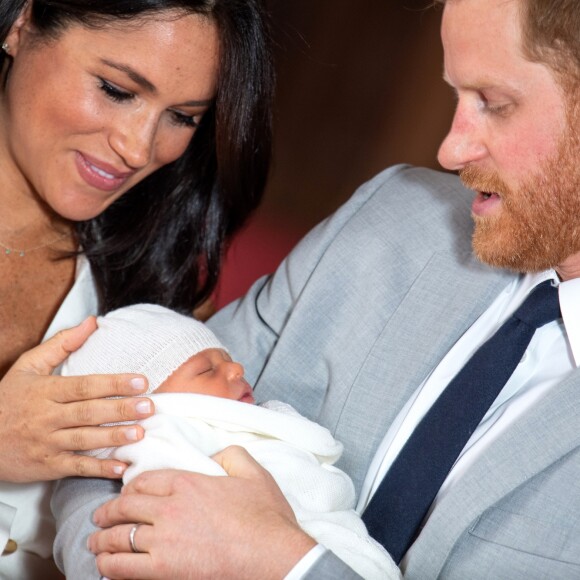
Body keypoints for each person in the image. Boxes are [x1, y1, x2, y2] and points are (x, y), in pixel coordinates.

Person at [55, 0, 580, 578]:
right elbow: (120, 437)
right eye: (457, 95)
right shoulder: (394, 214)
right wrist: (130, 554)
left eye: (495, 104)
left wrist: (289, 565)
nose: (450, 152)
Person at [0, 0, 273, 576]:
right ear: (22, 23)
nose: (138, 147)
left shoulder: (158, 278)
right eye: (117, 89)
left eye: (183, 116)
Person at [59, 303, 401, 580]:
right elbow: (178, 509)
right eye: (207, 370)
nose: (237, 368)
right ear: (142, 406)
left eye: (227, 358)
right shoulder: (161, 436)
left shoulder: (261, 421)